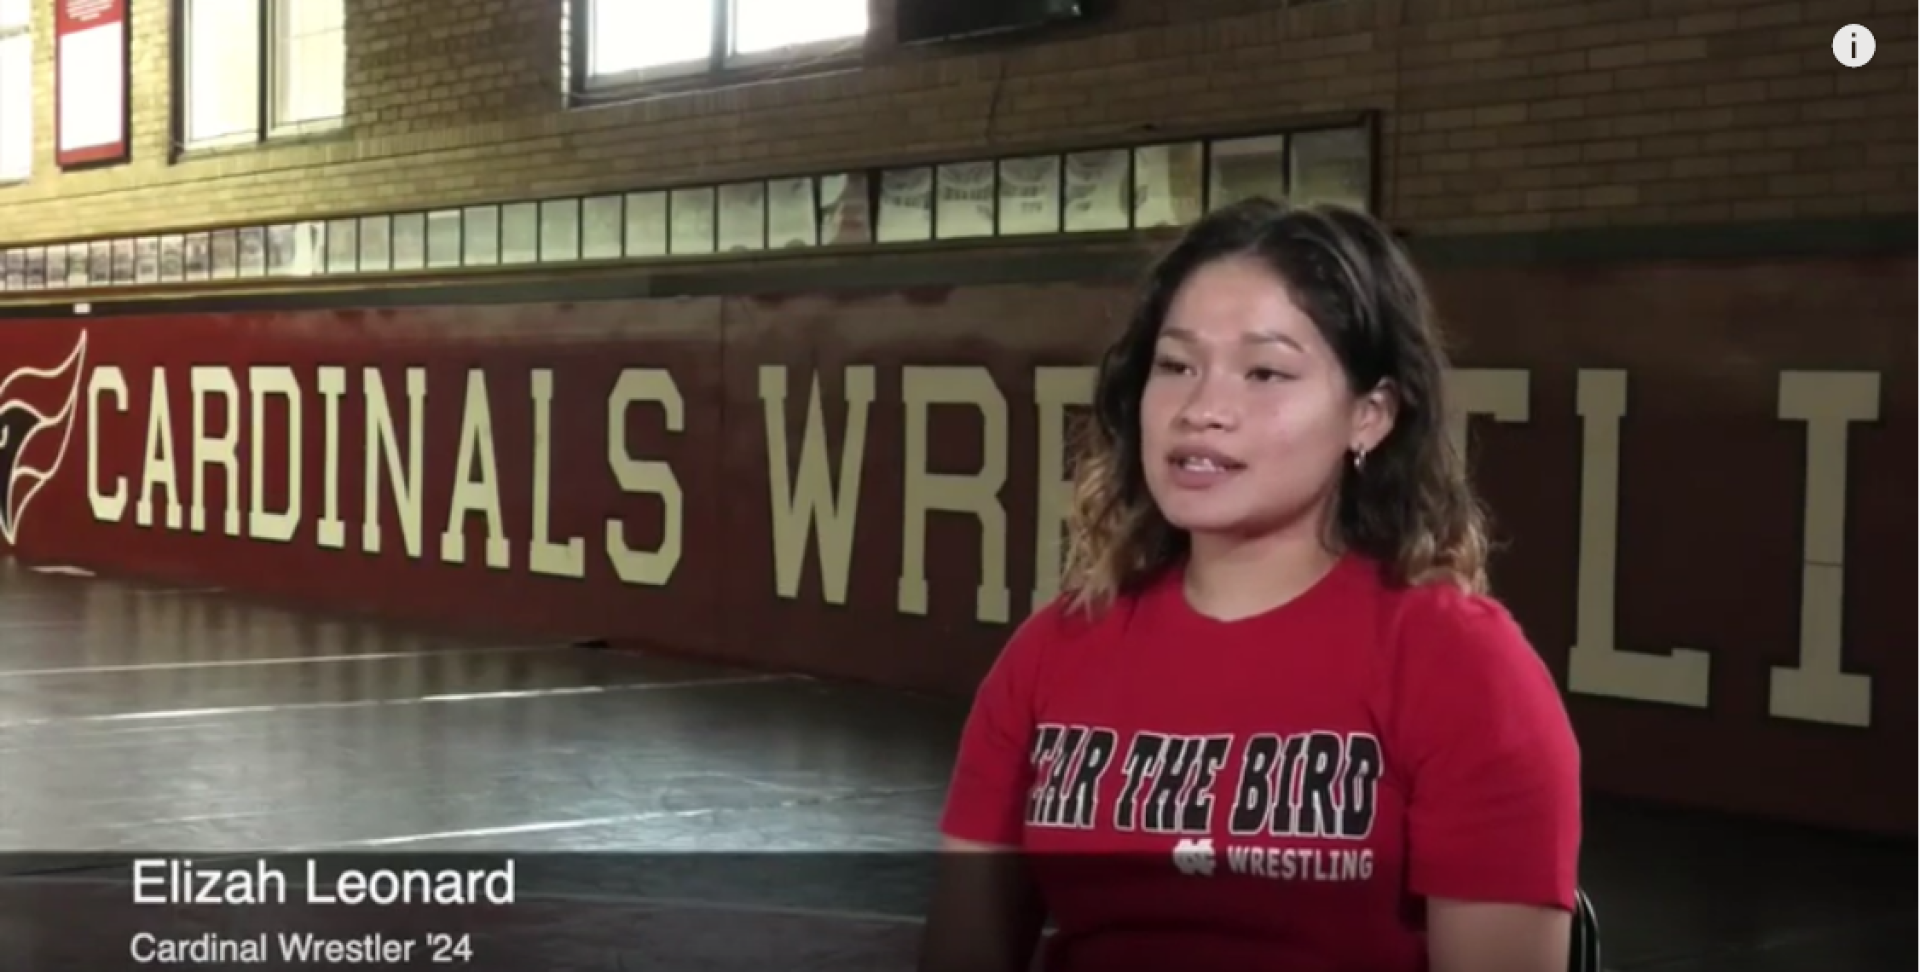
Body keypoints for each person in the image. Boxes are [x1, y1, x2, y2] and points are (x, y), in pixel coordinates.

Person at [918, 198, 1582, 972]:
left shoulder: (1460, 668)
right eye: (1175, 365)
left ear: (1369, 416)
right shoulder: (1051, 654)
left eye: (1265, 371)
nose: (1202, 410)